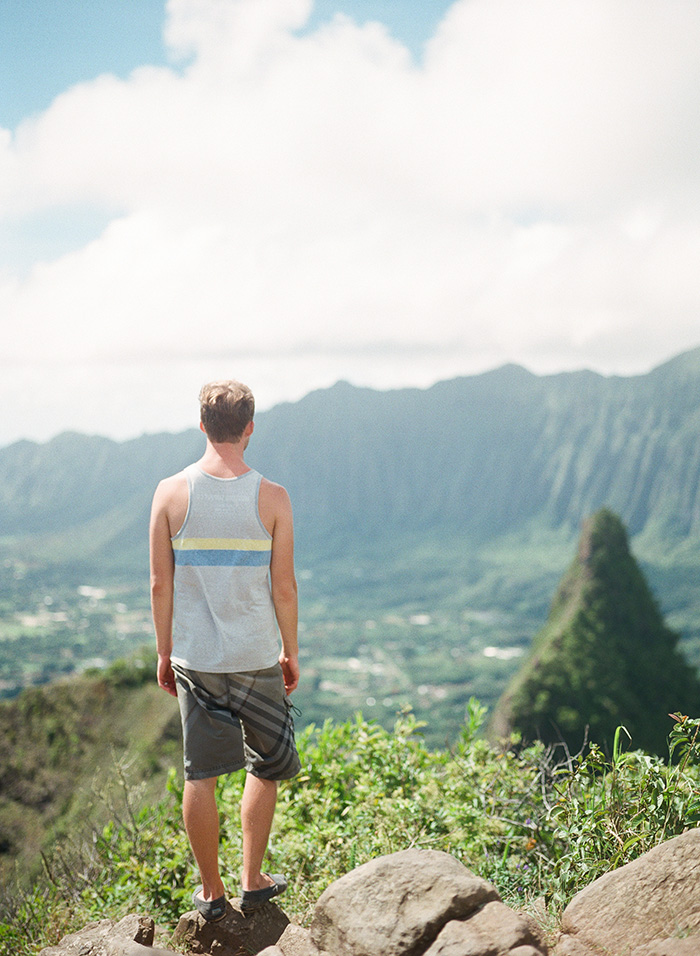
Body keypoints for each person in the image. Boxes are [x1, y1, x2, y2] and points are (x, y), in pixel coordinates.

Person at [149, 379, 301, 921]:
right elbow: (284, 586)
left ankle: (211, 894)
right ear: (250, 427)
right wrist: (291, 652)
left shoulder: (169, 493)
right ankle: (252, 878)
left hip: (196, 660)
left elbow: (159, 585)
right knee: (267, 764)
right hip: (257, 656)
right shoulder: (273, 497)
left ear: (202, 426)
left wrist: (165, 653)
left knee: (201, 775)